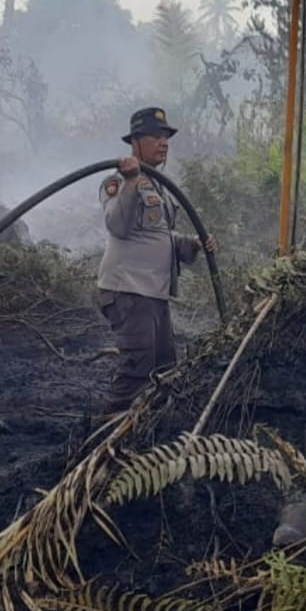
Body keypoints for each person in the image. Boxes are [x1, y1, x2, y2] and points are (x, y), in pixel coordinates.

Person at [97, 106, 216, 412]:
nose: (163, 142)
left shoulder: (158, 186)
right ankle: (97, 442)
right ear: (135, 141)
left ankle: (147, 440)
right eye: (155, 136)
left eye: (165, 136)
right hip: (130, 292)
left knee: (164, 369)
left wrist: (193, 244)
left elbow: (159, 237)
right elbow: (118, 226)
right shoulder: (117, 181)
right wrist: (132, 181)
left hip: (153, 294)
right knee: (136, 374)